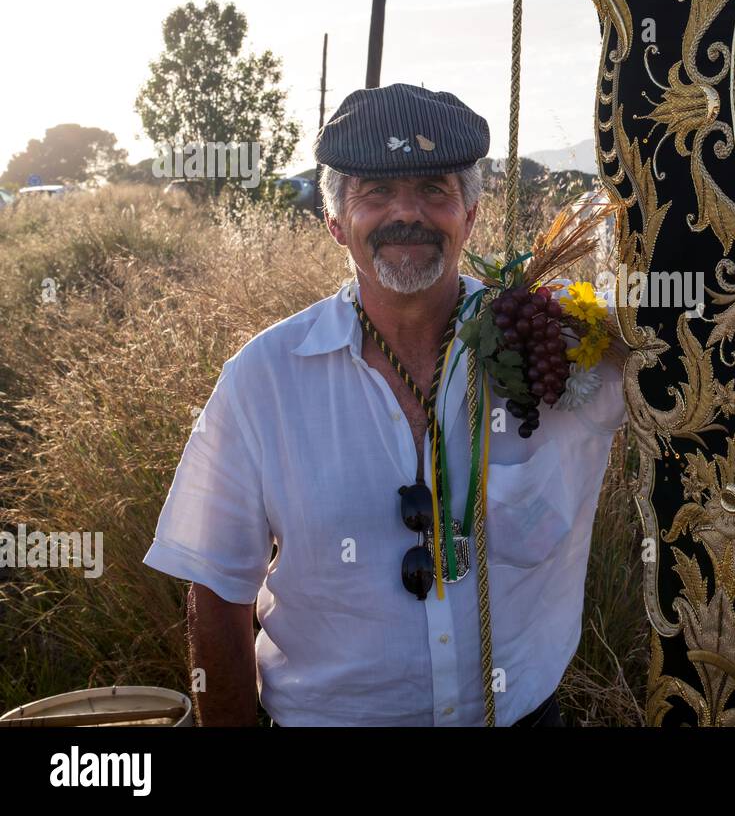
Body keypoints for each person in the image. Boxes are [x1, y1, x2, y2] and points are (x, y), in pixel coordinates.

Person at [143, 83, 627, 726]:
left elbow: (703, 346)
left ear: (471, 214)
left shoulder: (566, 344)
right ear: (336, 221)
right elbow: (217, 589)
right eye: (376, 193)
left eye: (434, 189)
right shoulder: (263, 381)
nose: (408, 214)